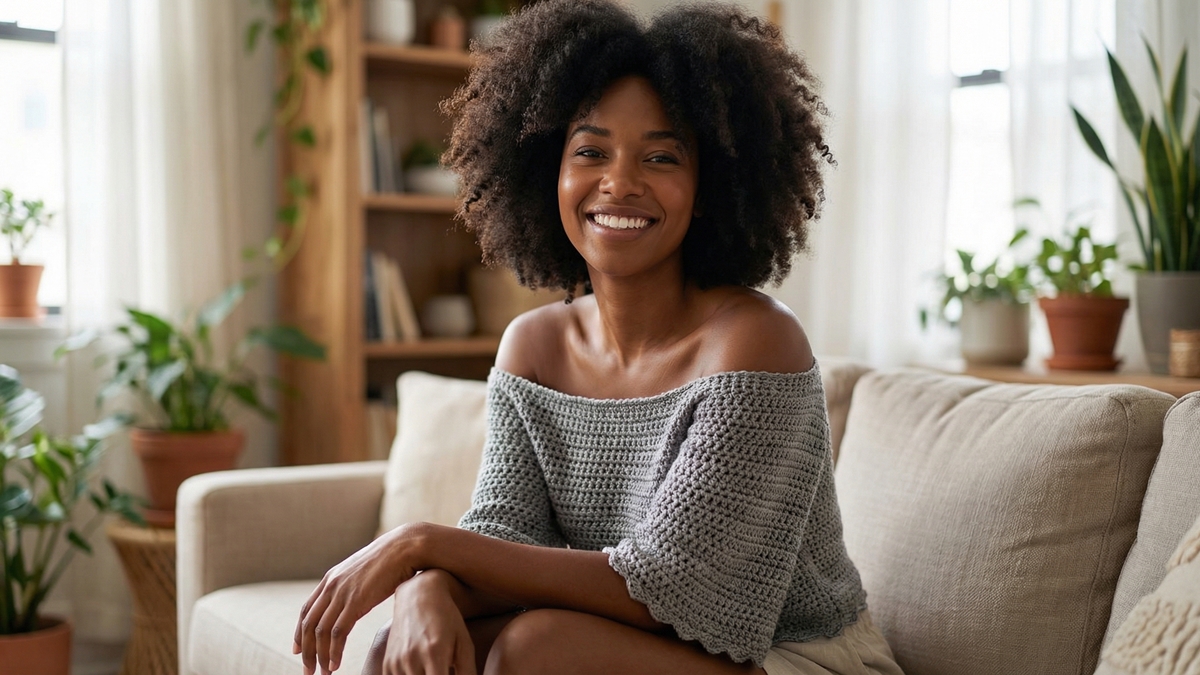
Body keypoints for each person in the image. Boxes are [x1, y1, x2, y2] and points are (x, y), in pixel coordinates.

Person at [293, 1, 904, 674]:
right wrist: (427, 585)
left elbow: (671, 587)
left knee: (536, 648)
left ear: (708, 188)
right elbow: (505, 532)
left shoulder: (755, 342)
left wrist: (417, 544)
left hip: (791, 655)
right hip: (643, 643)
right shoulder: (533, 347)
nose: (620, 182)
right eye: (590, 151)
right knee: (402, 647)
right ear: (547, 171)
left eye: (662, 156)